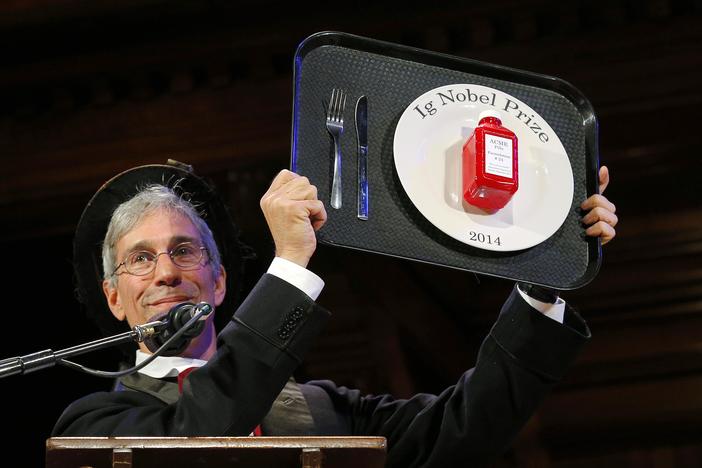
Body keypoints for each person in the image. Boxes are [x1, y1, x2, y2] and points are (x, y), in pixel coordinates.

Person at [52, 162, 618, 468]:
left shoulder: (321, 408)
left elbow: (461, 432)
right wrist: (292, 262)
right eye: (140, 260)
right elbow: (200, 431)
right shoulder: (92, 426)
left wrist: (544, 279)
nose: (167, 273)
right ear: (113, 298)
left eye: (184, 251)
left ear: (220, 281)